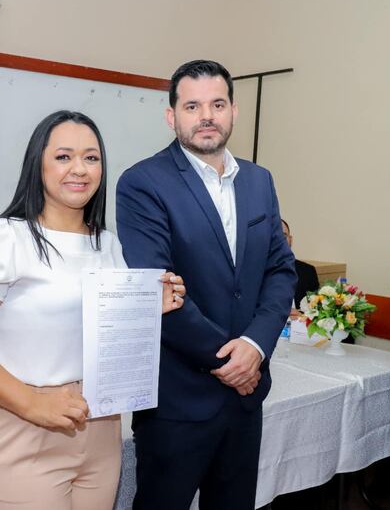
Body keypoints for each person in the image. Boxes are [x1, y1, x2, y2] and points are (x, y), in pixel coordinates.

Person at [0, 110, 185, 510]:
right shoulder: (2, 239)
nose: (80, 169)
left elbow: (103, 333)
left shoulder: (109, 245)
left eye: (91, 158)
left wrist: (146, 309)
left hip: (101, 428)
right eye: (64, 156)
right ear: (38, 163)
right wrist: (33, 403)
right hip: (23, 425)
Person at [116, 60, 297, 510]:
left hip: (246, 396)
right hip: (178, 401)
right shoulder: (142, 183)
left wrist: (254, 347)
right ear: (171, 115)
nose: (206, 116)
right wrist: (229, 360)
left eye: (217, 104)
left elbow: (280, 271)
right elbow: (159, 289)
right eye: (192, 105)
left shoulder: (259, 181)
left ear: (234, 111)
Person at [281, 219, 319, 310]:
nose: (280, 241)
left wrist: (301, 316)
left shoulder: (308, 271)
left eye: (283, 236)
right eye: (275, 237)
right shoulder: (256, 272)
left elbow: (315, 309)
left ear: (290, 240)